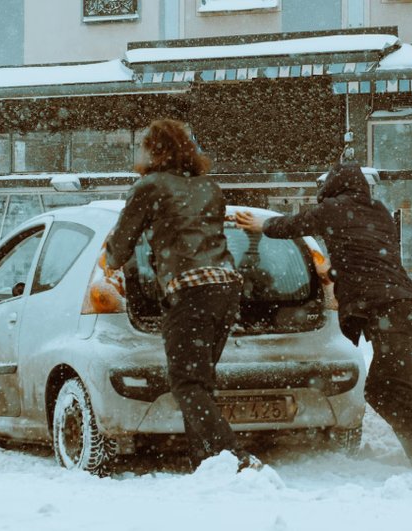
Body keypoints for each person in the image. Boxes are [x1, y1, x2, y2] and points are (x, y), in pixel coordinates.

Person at [236, 162, 412, 471]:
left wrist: (262, 226)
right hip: (403, 308)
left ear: (332, 187)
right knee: (391, 388)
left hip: (385, 310)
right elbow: (364, 258)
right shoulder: (378, 211)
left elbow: (294, 225)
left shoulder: (336, 208)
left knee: (391, 389)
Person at [103, 119, 259, 472]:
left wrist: (111, 258)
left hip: (190, 290)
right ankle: (205, 465)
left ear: (155, 150)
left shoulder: (151, 186)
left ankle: (235, 459)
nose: (138, 152)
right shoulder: (210, 187)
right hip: (226, 288)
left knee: (186, 382)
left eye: (143, 145)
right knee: (200, 382)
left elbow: (121, 244)